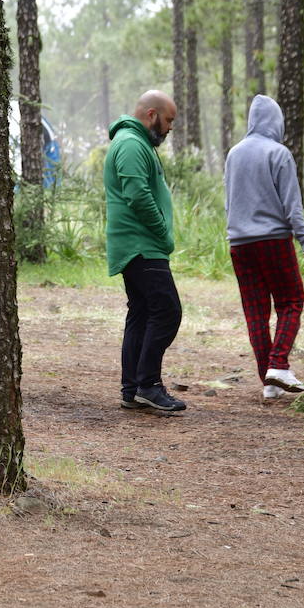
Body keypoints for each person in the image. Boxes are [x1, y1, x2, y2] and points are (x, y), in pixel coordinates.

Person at [224, 94, 304, 401]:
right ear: (276, 121)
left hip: (239, 244)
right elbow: (293, 205)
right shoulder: (279, 153)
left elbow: (229, 201)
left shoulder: (234, 154)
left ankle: (270, 382)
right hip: (273, 240)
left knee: (256, 312)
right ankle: (278, 365)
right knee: (292, 300)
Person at [105, 91, 187, 414]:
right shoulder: (130, 144)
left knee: (141, 312)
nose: (169, 129)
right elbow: (137, 195)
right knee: (167, 310)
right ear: (152, 115)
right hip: (141, 245)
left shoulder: (136, 143)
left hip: (139, 245)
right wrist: (162, 234)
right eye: (168, 121)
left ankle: (132, 388)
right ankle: (148, 384)